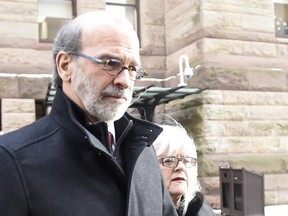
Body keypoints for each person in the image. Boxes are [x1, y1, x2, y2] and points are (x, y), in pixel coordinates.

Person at [0, 11, 178, 216]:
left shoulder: (143, 151)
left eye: (133, 69)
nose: (125, 81)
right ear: (65, 65)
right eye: (110, 63)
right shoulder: (11, 160)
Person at [153, 123, 215, 216]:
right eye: (169, 160)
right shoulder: (133, 210)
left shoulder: (206, 213)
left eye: (187, 161)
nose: (181, 167)